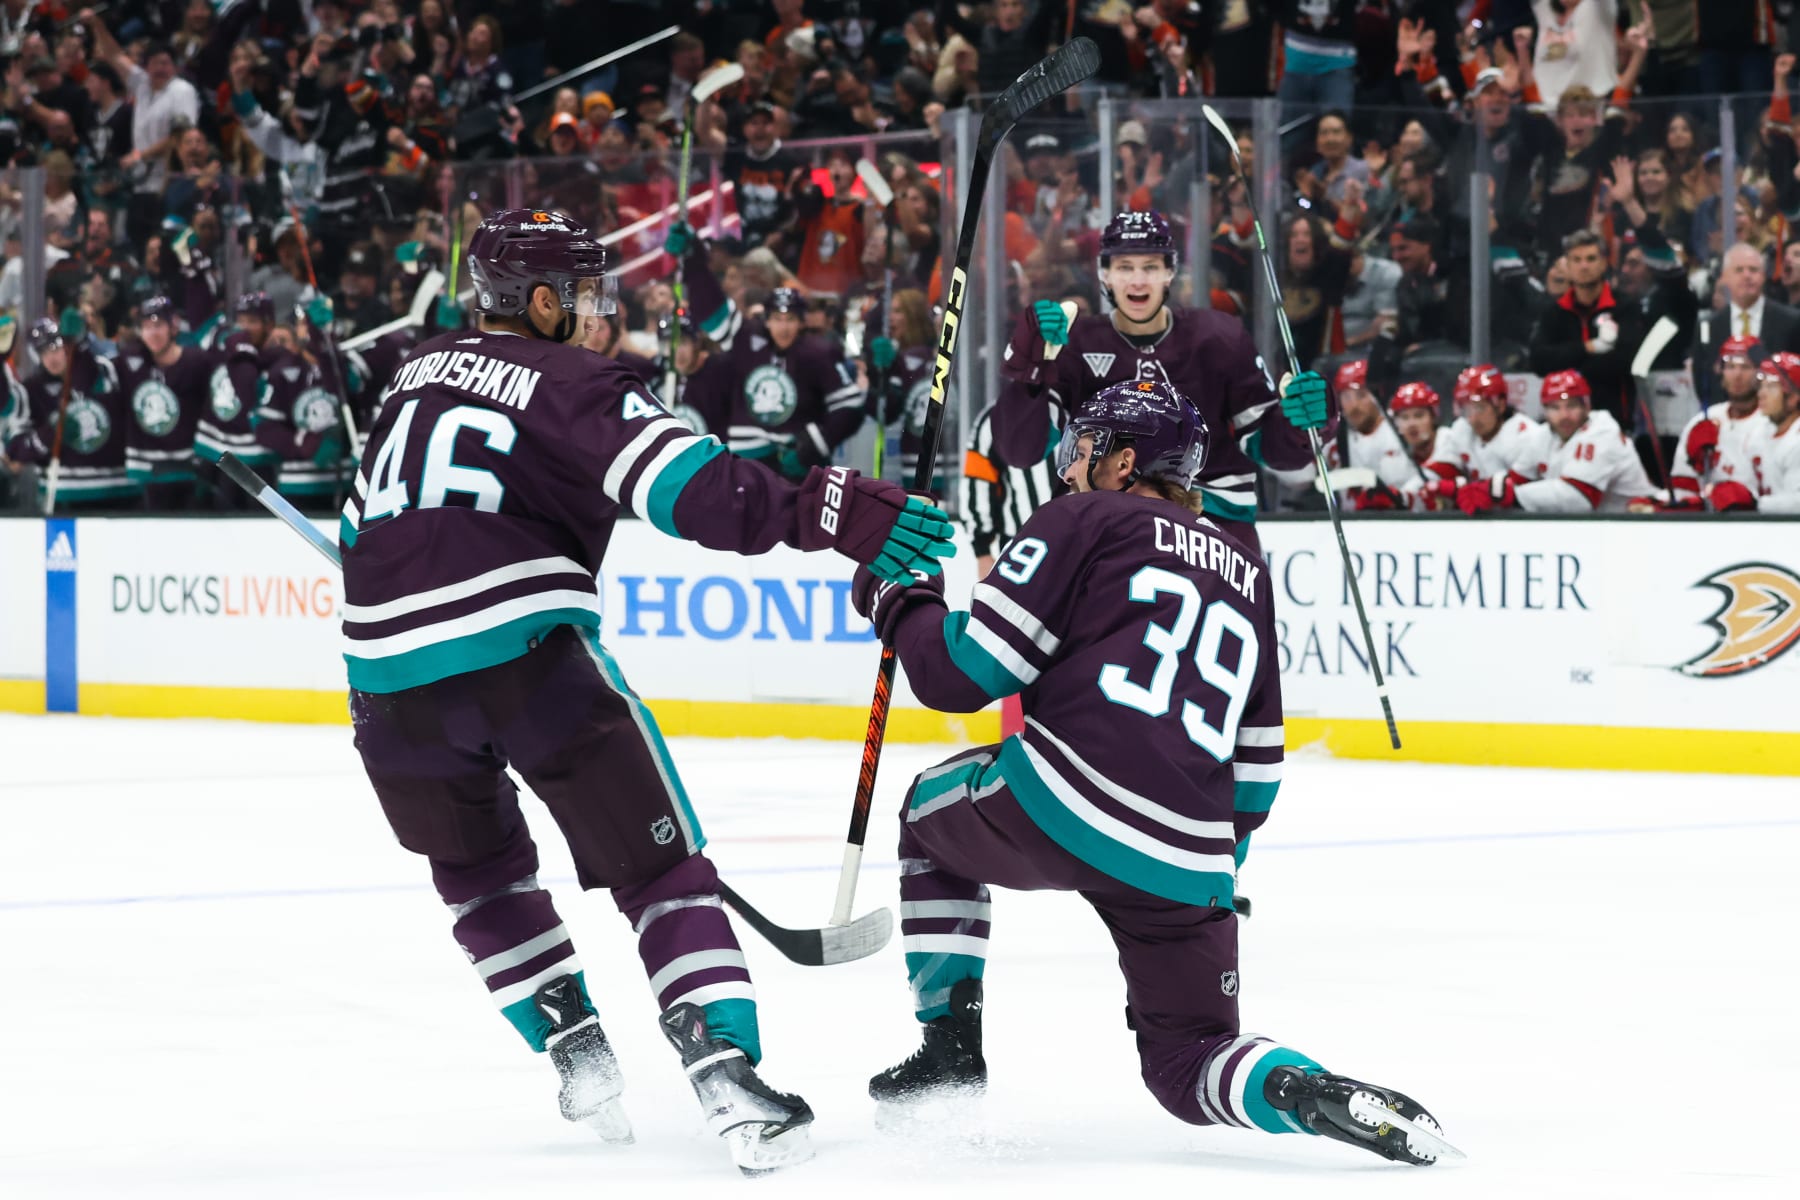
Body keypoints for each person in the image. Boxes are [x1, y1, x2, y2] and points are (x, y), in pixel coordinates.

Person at [338, 208, 955, 1173]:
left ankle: (574, 1048)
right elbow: (698, 493)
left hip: (383, 682)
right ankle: (727, 1078)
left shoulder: (408, 377)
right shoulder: (567, 378)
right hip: (524, 651)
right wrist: (836, 508)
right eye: (585, 295)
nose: (598, 314)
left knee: (476, 871)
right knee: (660, 871)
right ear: (542, 302)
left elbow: (363, 530)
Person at [851, 378, 1456, 1168]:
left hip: (1065, 802)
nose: (1069, 468)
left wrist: (902, 600)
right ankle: (1307, 1091)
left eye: (1083, 451)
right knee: (1187, 1063)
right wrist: (1211, 874)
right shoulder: (1245, 567)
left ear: (1124, 459)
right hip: (1191, 852)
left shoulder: (1084, 515)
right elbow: (1260, 765)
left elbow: (965, 674)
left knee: (925, 819)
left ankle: (950, 1046)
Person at [991, 210, 1334, 549]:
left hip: (1212, 523)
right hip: (1101, 523)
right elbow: (1020, 450)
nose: (1138, 280)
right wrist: (1029, 370)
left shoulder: (1220, 339)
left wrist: (1301, 423)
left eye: (1150, 267)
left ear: (1170, 273)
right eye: (1125, 267)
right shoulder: (1076, 344)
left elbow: (1273, 449)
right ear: (1105, 275)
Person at [669, 226, 867, 479]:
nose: (783, 327)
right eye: (777, 318)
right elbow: (712, 312)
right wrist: (693, 260)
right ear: (767, 319)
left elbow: (850, 407)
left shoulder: (819, 353)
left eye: (791, 319)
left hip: (799, 465)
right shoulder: (746, 339)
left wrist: (815, 445)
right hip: (749, 462)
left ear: (802, 322)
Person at [1455, 370, 1656, 514]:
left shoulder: (1602, 432)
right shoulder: (1545, 436)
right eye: (1555, 407)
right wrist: (1477, 489)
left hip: (1638, 525)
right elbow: (1515, 480)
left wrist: (1511, 495)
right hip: (1601, 530)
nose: (1564, 415)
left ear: (1586, 406)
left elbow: (1578, 498)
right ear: (1544, 410)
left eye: (1571, 406)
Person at [5, 317, 131, 509]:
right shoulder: (31, 390)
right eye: (43, 352)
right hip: (65, 494)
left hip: (121, 489)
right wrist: (49, 435)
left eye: (55, 347)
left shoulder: (104, 370)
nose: (51, 358)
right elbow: (16, 451)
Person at [115, 295, 210, 509]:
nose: (153, 333)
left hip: (190, 473)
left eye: (158, 325)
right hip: (146, 475)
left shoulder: (197, 362)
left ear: (173, 327)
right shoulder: (130, 361)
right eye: (146, 327)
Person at [1669, 335, 1774, 511]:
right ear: (1721, 371)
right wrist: (1694, 462)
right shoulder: (1703, 420)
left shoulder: (1772, 421)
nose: (1737, 375)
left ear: (1760, 373)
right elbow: (1682, 488)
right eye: (1731, 366)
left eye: (1746, 367)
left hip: (1759, 520)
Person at [1695, 243, 1800, 403]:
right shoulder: (1709, 326)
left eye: (1753, 270)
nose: (1747, 275)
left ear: (1764, 275)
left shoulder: (1792, 321)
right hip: (1727, 417)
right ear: (1725, 277)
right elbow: (1702, 380)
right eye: (1739, 270)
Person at [1427, 364, 1544, 484]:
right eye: (1466, 410)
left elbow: (1516, 486)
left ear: (1500, 405)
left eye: (1479, 408)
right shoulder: (1462, 427)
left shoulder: (1526, 436)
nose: (1473, 418)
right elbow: (1442, 468)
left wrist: (1463, 490)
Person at [1757, 353, 1800, 512]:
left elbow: (1797, 504)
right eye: (1761, 385)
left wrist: (1754, 503)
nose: (1761, 393)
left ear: (1793, 397)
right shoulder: (1763, 431)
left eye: (1771, 386)